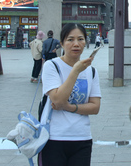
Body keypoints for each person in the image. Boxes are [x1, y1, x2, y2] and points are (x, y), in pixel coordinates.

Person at [40, 23, 101, 166]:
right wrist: (75, 71)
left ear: (86, 42)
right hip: (53, 138)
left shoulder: (92, 71)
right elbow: (57, 99)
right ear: (61, 43)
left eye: (80, 39)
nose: (76, 44)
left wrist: (68, 107)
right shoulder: (51, 66)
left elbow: (95, 107)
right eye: (70, 39)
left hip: (82, 138)